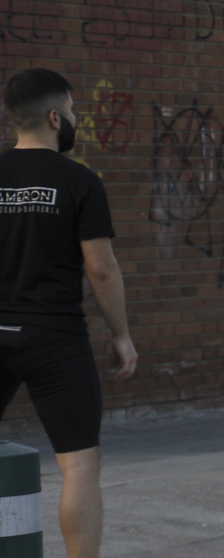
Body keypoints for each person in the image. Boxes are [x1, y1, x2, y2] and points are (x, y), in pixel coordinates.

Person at [0, 68, 138, 558]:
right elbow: (100, 269)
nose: (76, 119)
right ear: (56, 117)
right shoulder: (79, 180)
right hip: (54, 339)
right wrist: (121, 334)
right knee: (79, 465)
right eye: (75, 111)